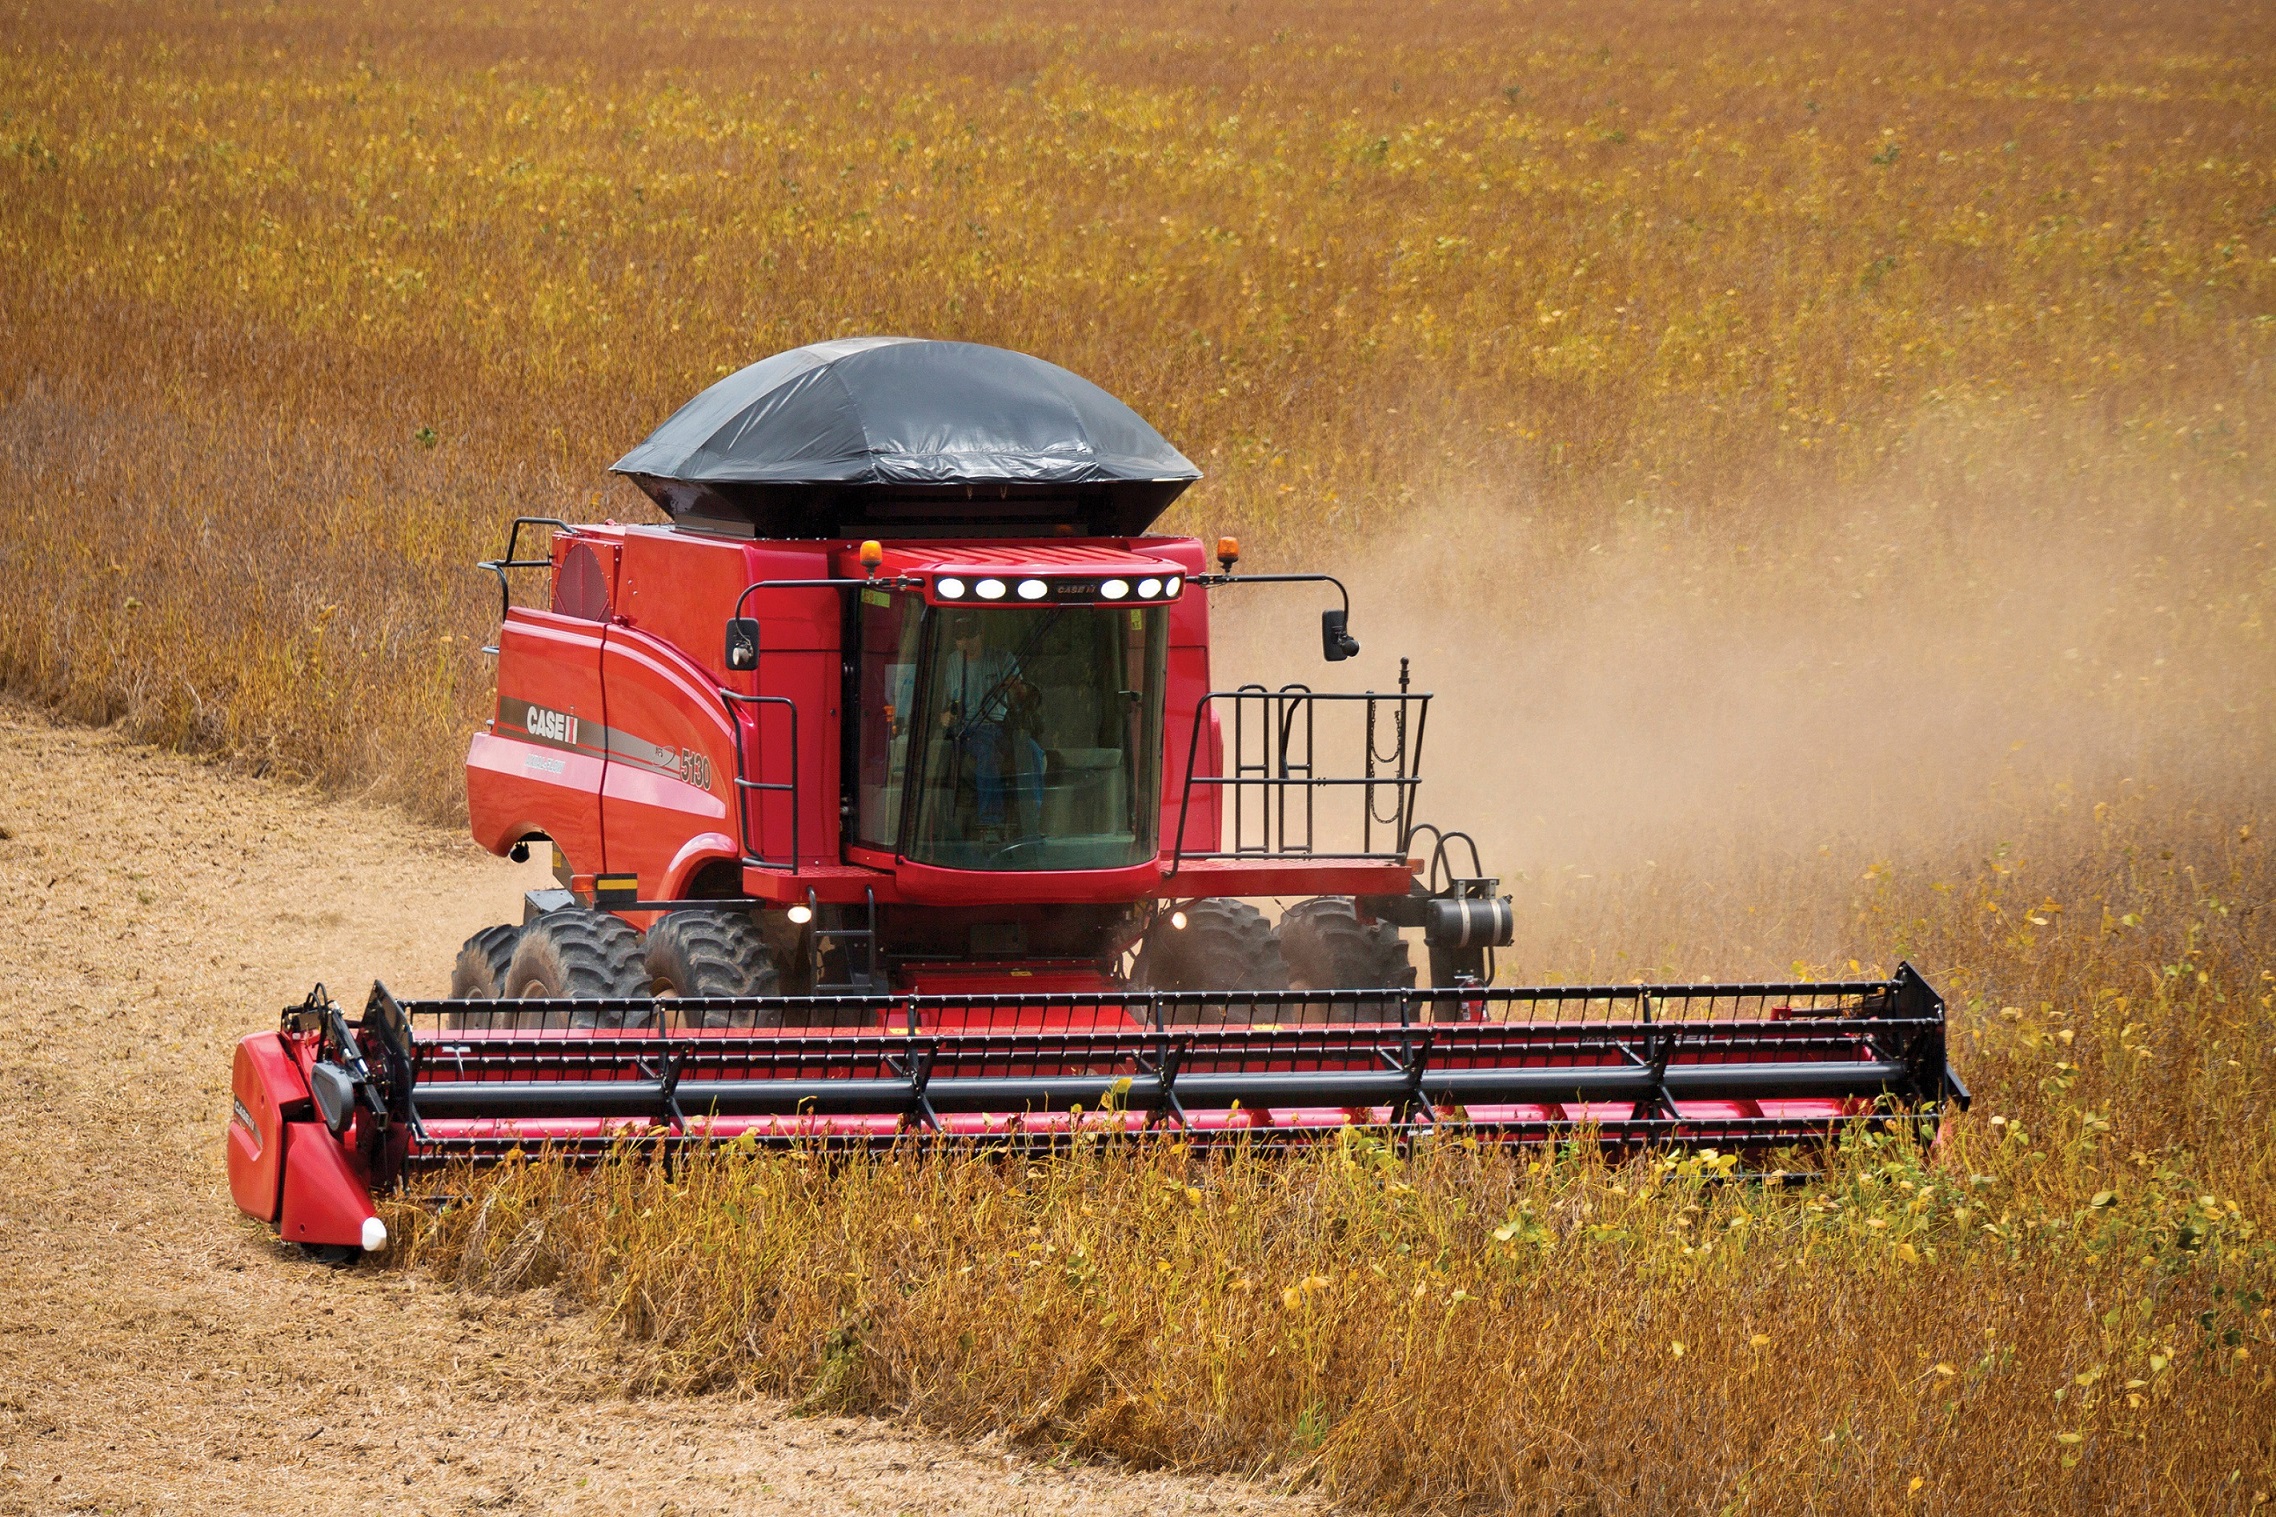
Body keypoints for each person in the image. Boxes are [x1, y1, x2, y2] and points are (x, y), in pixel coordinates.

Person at [937, 615, 1045, 837]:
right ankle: (991, 822)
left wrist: (1016, 689)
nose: (966, 642)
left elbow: (1021, 695)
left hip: (1003, 726)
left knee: (1033, 752)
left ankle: (1032, 818)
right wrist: (946, 716)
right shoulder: (952, 663)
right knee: (988, 753)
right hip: (970, 729)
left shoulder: (1002, 659)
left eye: (971, 636)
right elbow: (944, 707)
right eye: (960, 638)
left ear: (981, 634)